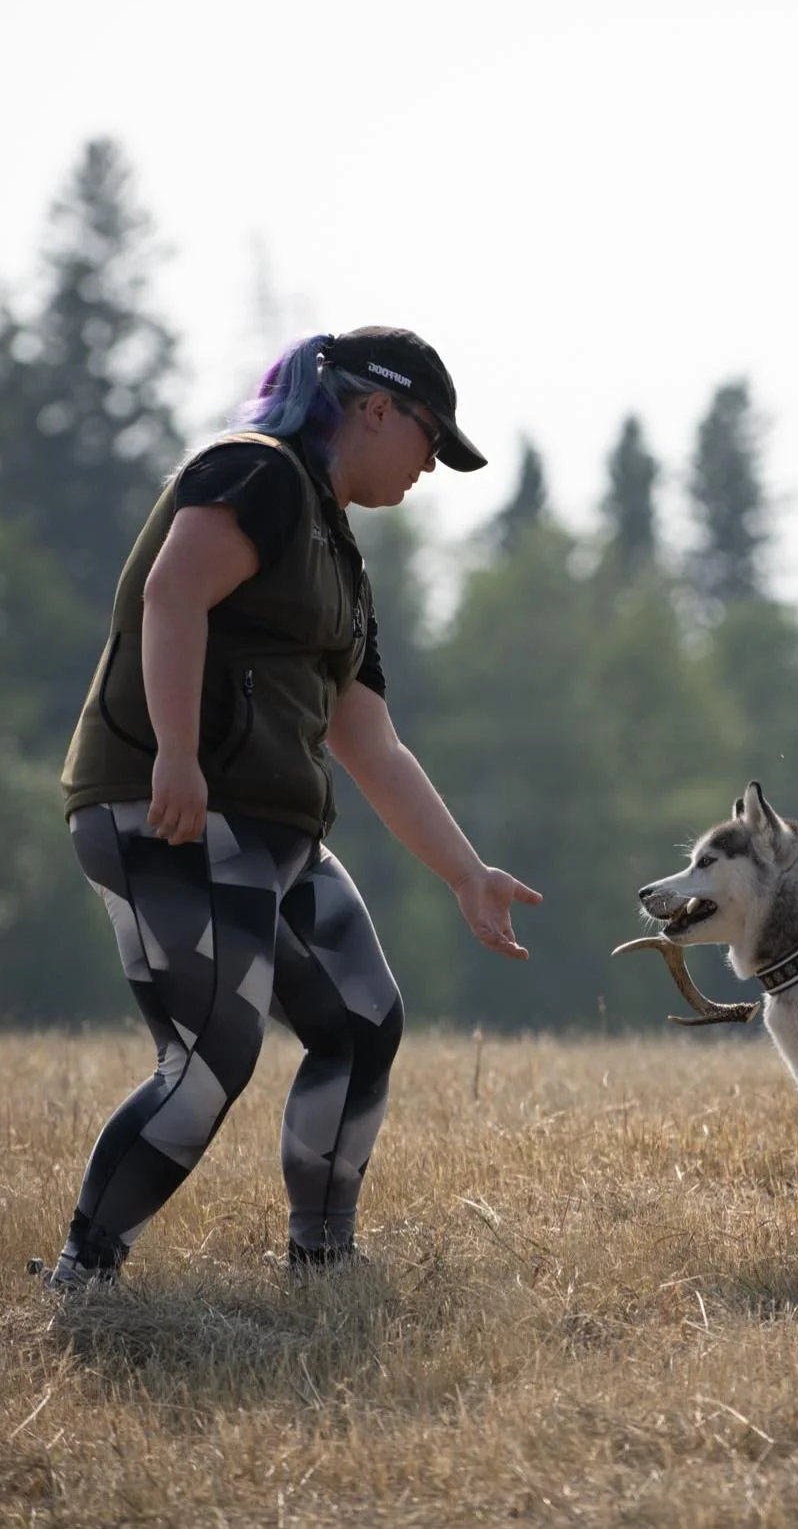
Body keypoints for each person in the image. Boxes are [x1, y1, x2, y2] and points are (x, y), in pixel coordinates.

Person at [47, 327, 540, 1287]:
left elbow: (374, 747)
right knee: (214, 1050)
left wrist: (466, 874)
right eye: (430, 442)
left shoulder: (339, 560)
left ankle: (324, 1262)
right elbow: (173, 594)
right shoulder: (256, 473)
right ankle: (86, 1273)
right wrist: (179, 757)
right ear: (376, 408)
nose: (429, 468)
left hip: (270, 832)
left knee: (362, 1022)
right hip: (173, 810)